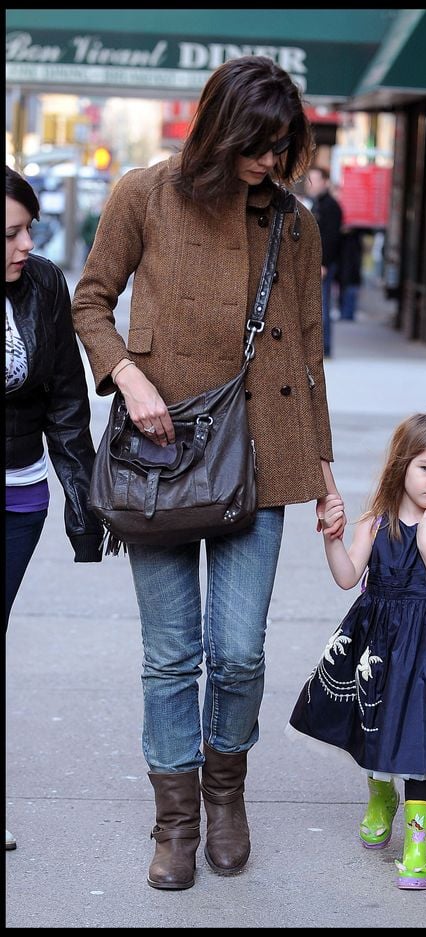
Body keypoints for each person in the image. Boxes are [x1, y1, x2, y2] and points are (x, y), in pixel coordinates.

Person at [71, 55, 345, 890]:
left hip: (260, 456)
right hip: (159, 458)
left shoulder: (294, 223)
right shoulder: (142, 194)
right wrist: (129, 374)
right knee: (170, 657)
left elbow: (305, 345)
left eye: (282, 145)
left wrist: (325, 469)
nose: (271, 160)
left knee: (237, 655)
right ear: (220, 131)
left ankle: (226, 795)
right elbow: (91, 299)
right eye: (258, 145)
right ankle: (176, 822)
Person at [289, 412, 426, 890]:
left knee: (420, 743)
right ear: (402, 465)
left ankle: (416, 849)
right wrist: (332, 541)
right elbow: (348, 578)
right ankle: (380, 795)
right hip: (381, 644)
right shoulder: (377, 522)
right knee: (375, 728)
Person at [5, 165, 104, 851]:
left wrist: (84, 497)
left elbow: (67, 395)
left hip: (21, 494)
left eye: (27, 230)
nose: (26, 245)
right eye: (11, 234)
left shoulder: (43, 281)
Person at [304, 166, 343, 356]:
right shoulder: (316, 203)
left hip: (323, 264)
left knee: (322, 305)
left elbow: (331, 237)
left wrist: (323, 263)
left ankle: (324, 346)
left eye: (314, 180)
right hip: (316, 263)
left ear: (325, 182)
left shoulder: (331, 206)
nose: (310, 184)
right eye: (308, 180)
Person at [336, 226, 363, 321]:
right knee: (349, 293)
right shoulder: (356, 238)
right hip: (350, 272)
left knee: (348, 293)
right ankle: (347, 314)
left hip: (348, 272)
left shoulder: (348, 239)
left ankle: (346, 314)